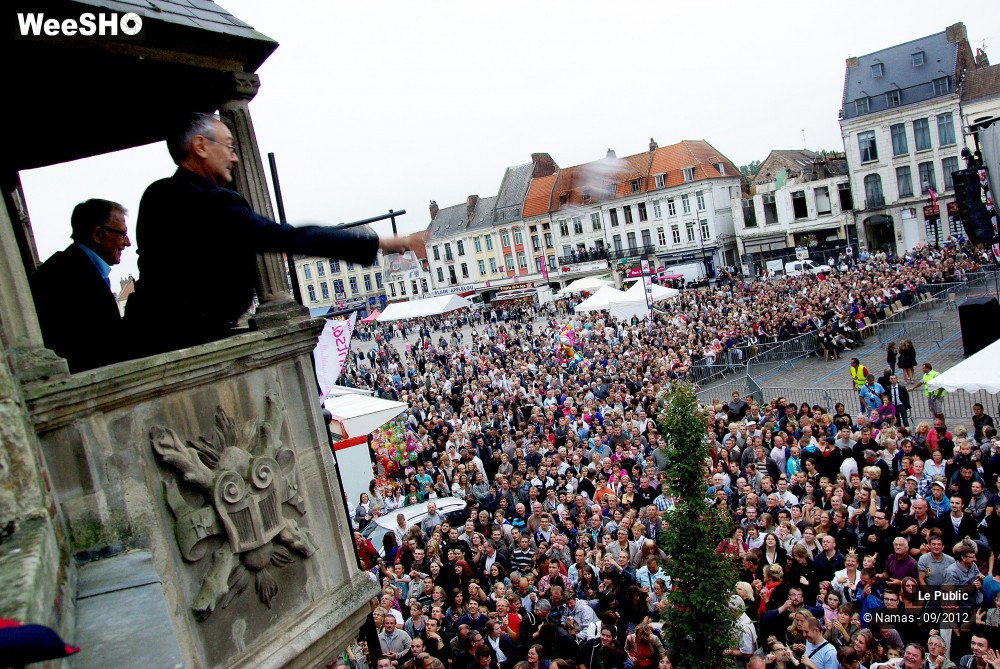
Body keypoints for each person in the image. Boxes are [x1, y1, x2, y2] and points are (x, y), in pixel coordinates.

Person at [125, 112, 420, 355]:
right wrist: (386, 242)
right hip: (197, 337)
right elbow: (289, 238)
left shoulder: (155, 196)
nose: (235, 158)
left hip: (153, 336)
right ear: (200, 146)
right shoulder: (213, 202)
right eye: (229, 146)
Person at [32, 198, 131, 372]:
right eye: (122, 234)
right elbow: (99, 344)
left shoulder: (71, 267)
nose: (127, 242)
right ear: (98, 235)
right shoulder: (66, 276)